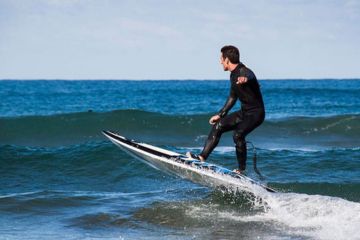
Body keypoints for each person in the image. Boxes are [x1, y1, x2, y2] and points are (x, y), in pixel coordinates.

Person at [186, 45, 265, 174]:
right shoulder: (233, 75)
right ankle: (201, 157)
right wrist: (221, 114)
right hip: (244, 112)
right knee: (219, 126)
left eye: (221, 59)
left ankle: (241, 169)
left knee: (238, 134)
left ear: (227, 59)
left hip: (256, 114)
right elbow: (232, 97)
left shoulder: (243, 71)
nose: (220, 61)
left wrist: (245, 78)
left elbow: (249, 75)